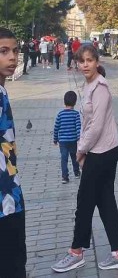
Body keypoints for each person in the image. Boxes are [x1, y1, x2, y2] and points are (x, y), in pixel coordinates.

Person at [52, 45, 118, 273]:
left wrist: (80, 150)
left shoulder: (100, 88)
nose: (85, 64)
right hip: (102, 149)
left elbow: (95, 127)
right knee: (105, 201)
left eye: (89, 60)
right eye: (81, 61)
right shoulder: (89, 86)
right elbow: (89, 123)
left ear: (97, 62)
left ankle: (76, 252)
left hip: (102, 151)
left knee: (84, 202)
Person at [0, 28, 25, 277]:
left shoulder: (2, 91)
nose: (12, 57)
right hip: (4, 198)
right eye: (3, 51)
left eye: (15, 51)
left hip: (10, 190)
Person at [53, 91, 81, 184]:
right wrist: (79, 138)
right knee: (74, 157)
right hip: (73, 141)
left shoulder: (60, 114)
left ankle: (65, 177)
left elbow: (56, 127)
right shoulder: (76, 114)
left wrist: (55, 139)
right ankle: (76, 173)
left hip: (63, 142)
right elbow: (78, 127)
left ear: (64, 102)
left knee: (64, 159)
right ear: (75, 102)